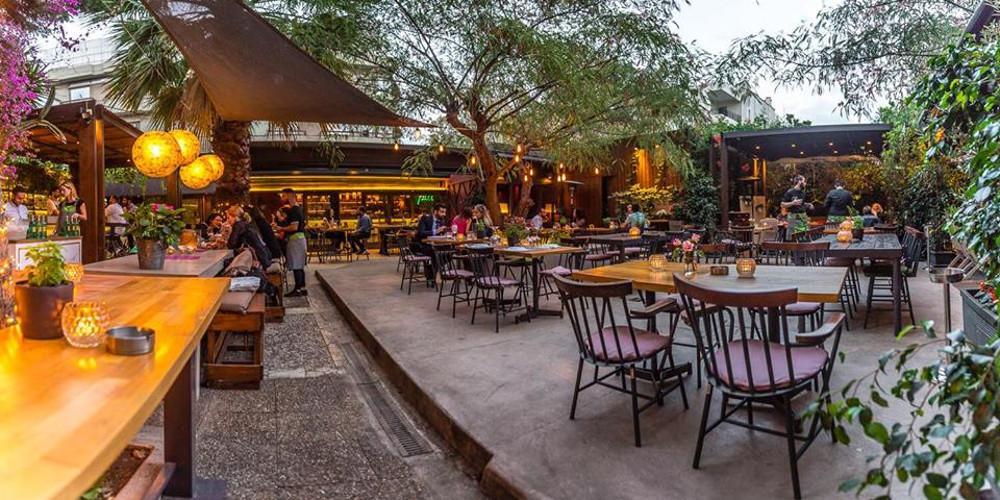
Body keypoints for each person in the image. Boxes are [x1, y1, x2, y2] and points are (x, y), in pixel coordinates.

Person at [275, 188, 308, 297]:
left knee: (296, 265)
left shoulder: (294, 209)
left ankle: (297, 289)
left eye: (283, 196)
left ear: (289, 196)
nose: (282, 198)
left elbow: (294, 227)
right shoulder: (298, 209)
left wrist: (281, 228)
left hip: (295, 239)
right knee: (300, 265)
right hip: (300, 239)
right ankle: (302, 288)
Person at [415, 204, 448, 282]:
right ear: (435, 211)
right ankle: (432, 274)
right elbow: (420, 233)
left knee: (450, 253)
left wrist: (445, 234)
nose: (444, 214)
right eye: (442, 212)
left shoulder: (442, 220)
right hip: (423, 245)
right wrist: (435, 231)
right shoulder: (425, 218)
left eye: (445, 212)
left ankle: (430, 270)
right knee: (435, 253)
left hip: (437, 245)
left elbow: (441, 234)